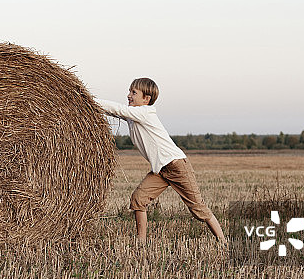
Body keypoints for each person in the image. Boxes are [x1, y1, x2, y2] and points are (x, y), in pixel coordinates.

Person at [95, 78, 226, 245]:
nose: (128, 95)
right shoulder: (133, 115)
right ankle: (141, 243)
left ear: (146, 99)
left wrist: (88, 98)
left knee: (198, 208)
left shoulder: (145, 113)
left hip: (177, 166)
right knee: (138, 199)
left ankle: (223, 242)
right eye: (129, 91)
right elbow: (115, 112)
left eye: (133, 92)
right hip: (160, 170)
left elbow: (118, 109)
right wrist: (89, 104)